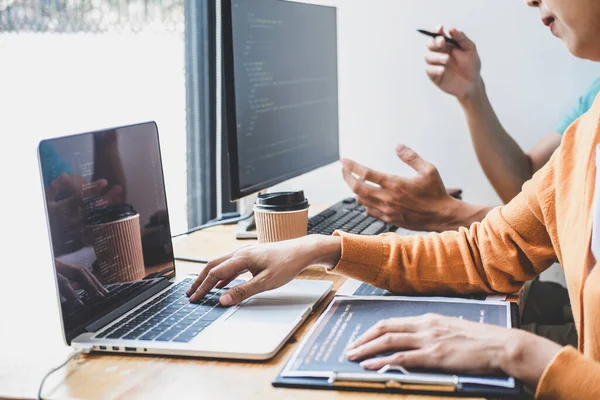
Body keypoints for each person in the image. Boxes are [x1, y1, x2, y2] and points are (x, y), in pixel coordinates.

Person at [187, 0, 600, 397]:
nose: (529, 1)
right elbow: (486, 251)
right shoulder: (586, 132)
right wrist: (323, 247)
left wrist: (514, 351)